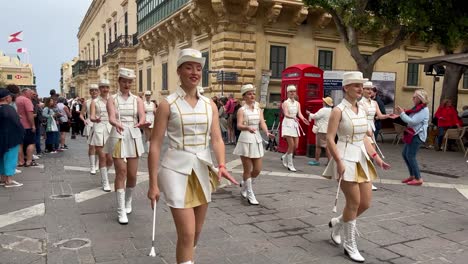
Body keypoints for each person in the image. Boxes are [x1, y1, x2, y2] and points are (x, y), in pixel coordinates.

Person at [147, 49, 238, 264]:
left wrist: (222, 164)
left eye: (198, 68)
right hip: (175, 171)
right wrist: (153, 184)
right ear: (179, 71)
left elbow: (216, 138)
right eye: (189, 67)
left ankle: (186, 259)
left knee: (195, 233)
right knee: (186, 234)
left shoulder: (210, 105)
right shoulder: (167, 104)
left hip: (201, 171)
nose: (194, 72)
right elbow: (156, 144)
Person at [323, 72, 390, 263]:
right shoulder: (338, 110)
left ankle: (338, 223)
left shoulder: (361, 109)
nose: (360, 89)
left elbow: (365, 138)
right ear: (346, 88)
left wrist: (377, 159)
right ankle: (349, 245)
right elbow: (329, 138)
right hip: (344, 156)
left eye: (362, 86)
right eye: (356, 85)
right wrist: (339, 161)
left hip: (361, 158)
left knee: (365, 203)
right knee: (353, 203)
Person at [105, 68, 147, 224]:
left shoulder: (138, 100)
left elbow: (141, 115)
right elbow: (111, 117)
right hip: (118, 134)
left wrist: (142, 122)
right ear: (119, 81)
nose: (127, 84)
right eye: (124, 81)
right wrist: (116, 123)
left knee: (132, 175)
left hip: (134, 135)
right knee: (120, 172)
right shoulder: (112, 99)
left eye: (129, 81)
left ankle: (128, 200)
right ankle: (121, 209)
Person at [234, 84, 274, 205]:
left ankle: (245, 183)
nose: (252, 95)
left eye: (253, 93)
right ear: (244, 96)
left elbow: (262, 122)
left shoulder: (258, 109)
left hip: (256, 139)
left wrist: (267, 132)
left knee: (257, 170)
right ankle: (250, 194)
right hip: (245, 139)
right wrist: (247, 127)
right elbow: (239, 125)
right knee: (248, 169)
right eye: (249, 94)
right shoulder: (241, 110)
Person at [360, 81, 397, 190]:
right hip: (363, 129)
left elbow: (379, 116)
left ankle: (367, 180)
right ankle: (363, 179)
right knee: (364, 155)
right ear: (362, 90)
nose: (369, 91)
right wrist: (366, 129)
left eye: (371, 89)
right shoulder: (359, 103)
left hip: (372, 129)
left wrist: (388, 116)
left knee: (372, 155)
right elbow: (359, 117)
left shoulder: (374, 103)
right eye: (367, 89)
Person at [396, 89, 430, 186]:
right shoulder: (418, 108)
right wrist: (401, 114)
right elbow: (410, 119)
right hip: (412, 134)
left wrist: (402, 113)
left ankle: (418, 178)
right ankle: (412, 176)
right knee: (405, 154)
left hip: (417, 135)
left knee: (410, 156)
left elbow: (412, 121)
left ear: (420, 98)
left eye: (414, 97)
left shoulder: (423, 110)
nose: (412, 98)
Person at [90, 80, 113, 192]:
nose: (105, 89)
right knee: (102, 157)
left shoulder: (112, 100)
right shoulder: (95, 102)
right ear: (99, 89)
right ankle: (105, 182)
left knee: (110, 159)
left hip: (111, 129)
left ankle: (104, 174)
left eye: (107, 87)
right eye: (103, 87)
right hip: (99, 129)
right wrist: (95, 119)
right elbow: (92, 116)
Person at [280, 84, 309, 172]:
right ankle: (290, 165)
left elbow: (299, 113)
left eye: (294, 91)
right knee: (291, 145)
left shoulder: (297, 103)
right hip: (287, 123)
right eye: (291, 91)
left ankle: (285, 156)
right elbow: (286, 114)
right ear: (288, 93)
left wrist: (303, 119)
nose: (293, 93)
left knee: (295, 146)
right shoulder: (285, 103)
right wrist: (293, 117)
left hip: (294, 124)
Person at [0, 88, 24, 187]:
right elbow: (16, 123)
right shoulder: (9, 108)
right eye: (10, 96)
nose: (11, 98)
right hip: (11, 138)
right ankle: (9, 180)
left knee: (1, 158)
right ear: (6, 98)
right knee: (10, 157)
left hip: (2, 137)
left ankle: (2, 178)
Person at [306, 97, 333, 166]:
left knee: (318, 146)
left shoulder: (323, 110)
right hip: (329, 130)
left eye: (324, 101)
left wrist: (309, 113)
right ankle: (330, 161)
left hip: (322, 130)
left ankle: (316, 161)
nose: (322, 102)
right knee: (327, 146)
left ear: (325, 103)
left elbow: (315, 116)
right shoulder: (332, 110)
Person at [80, 85, 99, 174]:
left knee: (100, 146)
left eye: (96, 90)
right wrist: (84, 120)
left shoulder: (102, 101)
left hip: (100, 124)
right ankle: (92, 166)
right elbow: (81, 114)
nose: (94, 92)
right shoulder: (86, 102)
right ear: (90, 92)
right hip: (89, 124)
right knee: (91, 146)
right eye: (92, 90)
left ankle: (97, 164)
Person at [16, 88, 37, 167]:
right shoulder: (27, 100)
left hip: (17, 125)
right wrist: (33, 125)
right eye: (30, 93)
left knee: (19, 144)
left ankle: (21, 161)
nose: (31, 95)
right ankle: (28, 161)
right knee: (31, 143)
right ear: (25, 92)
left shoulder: (16, 100)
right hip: (27, 126)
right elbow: (29, 114)